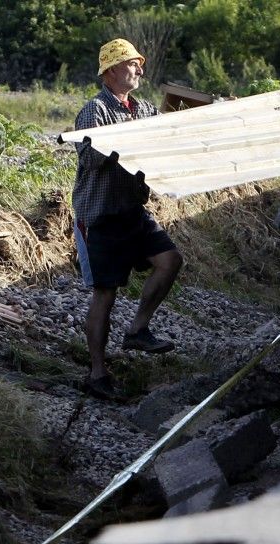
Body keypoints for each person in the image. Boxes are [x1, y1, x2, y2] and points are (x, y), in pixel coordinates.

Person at [72, 38, 183, 401]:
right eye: (133, 63)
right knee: (105, 294)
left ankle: (138, 330)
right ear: (112, 70)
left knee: (169, 261)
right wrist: (125, 145)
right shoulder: (95, 111)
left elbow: (169, 137)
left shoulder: (144, 110)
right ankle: (97, 374)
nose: (139, 69)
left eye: (139, 63)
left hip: (132, 212)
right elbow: (89, 158)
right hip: (99, 217)